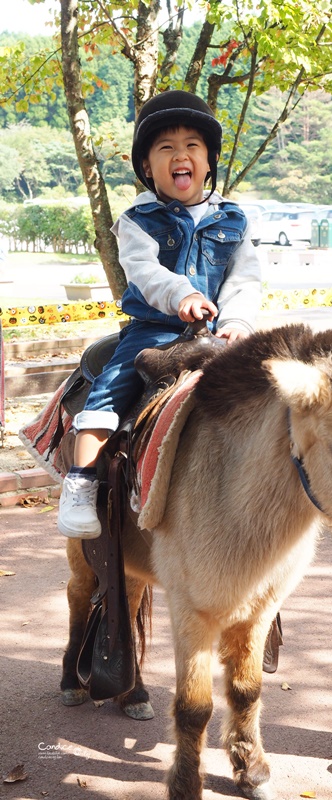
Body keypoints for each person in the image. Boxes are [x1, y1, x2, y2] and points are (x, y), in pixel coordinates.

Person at [57, 90, 261, 539]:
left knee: (269, 396)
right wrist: (181, 294)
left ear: (209, 161)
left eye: (192, 146)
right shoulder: (136, 219)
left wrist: (236, 323)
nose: (180, 155)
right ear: (148, 167)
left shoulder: (236, 220)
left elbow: (245, 280)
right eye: (165, 148)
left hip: (217, 331)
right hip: (153, 329)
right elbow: (144, 270)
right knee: (111, 390)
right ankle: (82, 484)